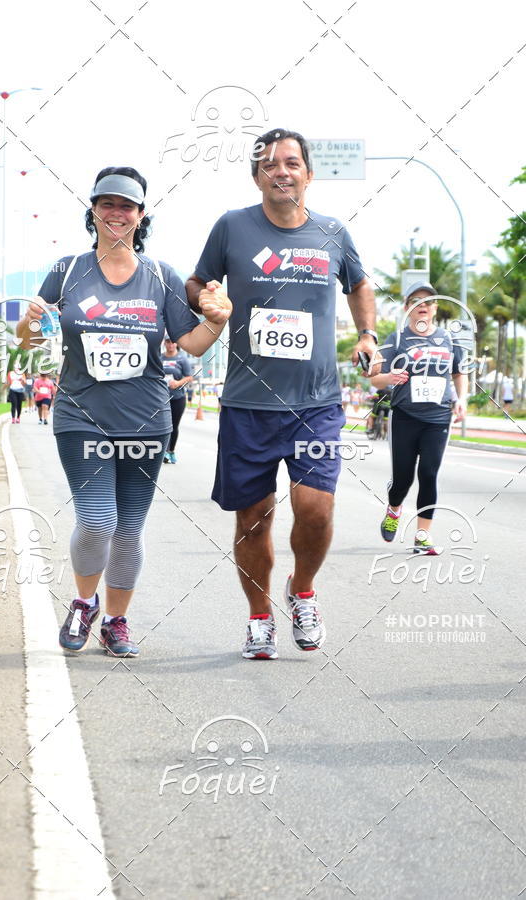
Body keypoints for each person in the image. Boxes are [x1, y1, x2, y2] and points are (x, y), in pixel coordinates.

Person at [17, 166, 231, 658]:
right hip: (79, 417)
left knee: (129, 533)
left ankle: (116, 620)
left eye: (127, 205)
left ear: (141, 216)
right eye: (107, 203)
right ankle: (83, 602)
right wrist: (29, 323)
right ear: (92, 211)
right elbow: (30, 340)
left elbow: (192, 344)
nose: (117, 213)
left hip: (147, 422)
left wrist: (218, 322)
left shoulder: (161, 276)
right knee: (97, 523)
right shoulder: (68, 270)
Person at [186, 128, 377, 660]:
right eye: (269, 165)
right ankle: (260, 617)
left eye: (291, 163)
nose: (281, 172)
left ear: (308, 174)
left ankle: (303, 590)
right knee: (253, 521)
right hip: (248, 404)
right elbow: (195, 282)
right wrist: (209, 301)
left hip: (315, 404)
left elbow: (360, 284)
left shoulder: (333, 233)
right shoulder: (232, 227)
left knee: (315, 510)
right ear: (257, 176)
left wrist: (367, 333)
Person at [369, 282, 467, 555]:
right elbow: (375, 376)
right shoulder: (396, 339)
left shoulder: (449, 339)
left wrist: (461, 400)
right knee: (403, 479)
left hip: (438, 417)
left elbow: (459, 372)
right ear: (407, 308)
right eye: (416, 301)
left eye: (428, 301)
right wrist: (388, 378)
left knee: (428, 473)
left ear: (435, 308)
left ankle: (423, 534)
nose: (422, 305)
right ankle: (394, 508)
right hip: (405, 416)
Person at [161, 338, 193, 463]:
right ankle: (164, 451)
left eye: (173, 342)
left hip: (178, 397)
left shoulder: (182, 358)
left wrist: (178, 383)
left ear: (177, 344)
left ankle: (171, 451)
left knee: (174, 425)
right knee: (163, 425)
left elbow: (189, 377)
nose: (171, 345)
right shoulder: (160, 358)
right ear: (165, 343)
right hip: (162, 398)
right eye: (168, 342)